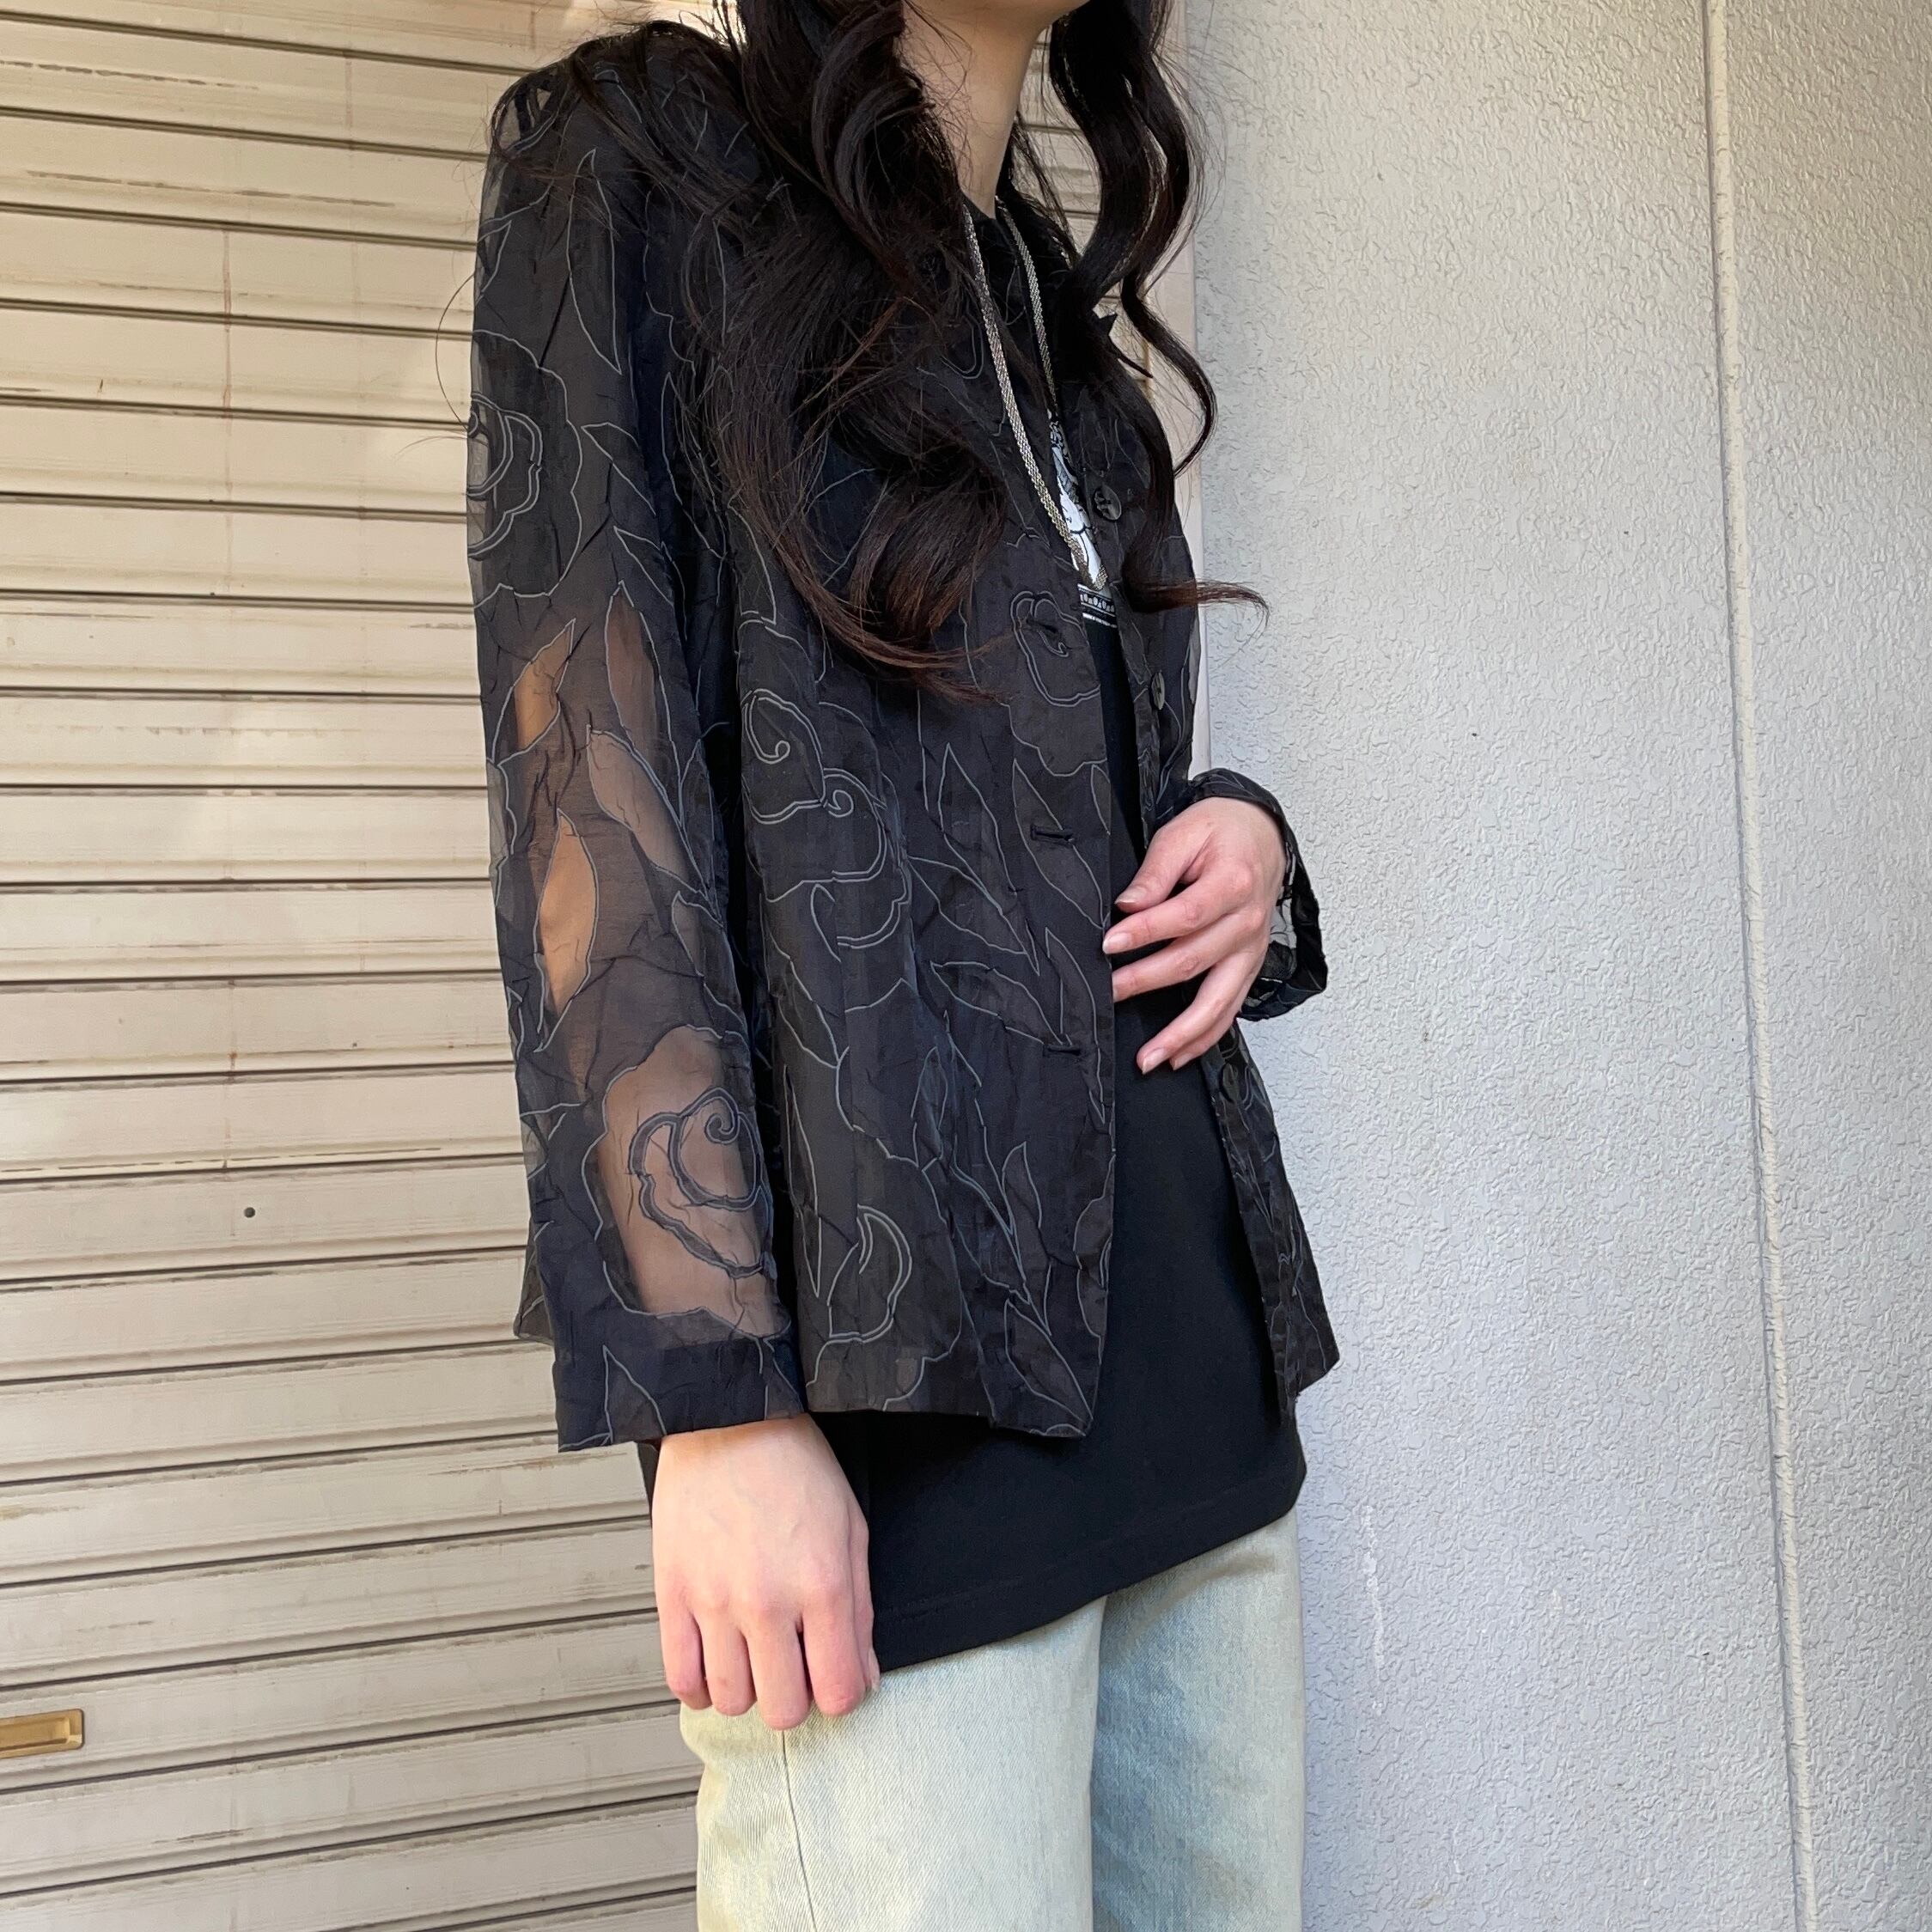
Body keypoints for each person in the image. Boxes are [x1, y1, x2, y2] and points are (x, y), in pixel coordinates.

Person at [466, 0, 1338, 1923]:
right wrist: (716, 1405)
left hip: (1201, 1396)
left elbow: (1030, 791)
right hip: (897, 1444)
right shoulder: (649, 154)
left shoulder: (1045, 301)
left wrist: (1237, 831)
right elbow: (589, 788)